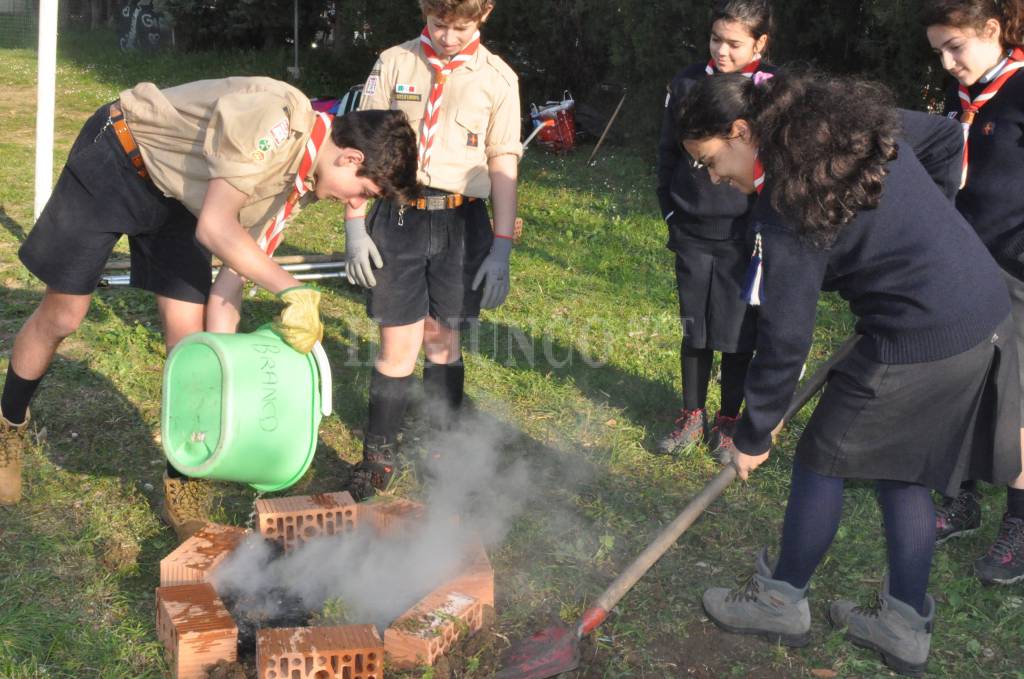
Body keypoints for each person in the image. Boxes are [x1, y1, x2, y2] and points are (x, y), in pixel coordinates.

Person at [676, 70, 1020, 676]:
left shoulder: (788, 204)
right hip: (979, 309)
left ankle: (782, 603)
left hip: (922, 332)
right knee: (903, 471)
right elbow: (942, 139)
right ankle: (904, 625)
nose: (712, 177)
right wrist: (922, 235)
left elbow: (786, 339)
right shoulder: (841, 125)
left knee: (822, 456)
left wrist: (755, 434)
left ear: (740, 131)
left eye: (709, 160)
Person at [0, 76, 419, 540]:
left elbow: (231, 280)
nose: (355, 204)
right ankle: (8, 427)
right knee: (65, 316)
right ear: (350, 157)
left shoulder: (293, 188)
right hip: (121, 156)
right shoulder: (277, 117)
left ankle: (183, 485)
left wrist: (226, 368)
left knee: (191, 345)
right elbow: (217, 227)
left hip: (180, 198)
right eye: (364, 192)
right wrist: (292, 290)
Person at [341, 0, 521, 500]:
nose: (446, 37)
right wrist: (355, 223)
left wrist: (501, 246)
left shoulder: (499, 79)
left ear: (482, 17)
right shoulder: (394, 62)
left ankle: (444, 450)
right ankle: (377, 457)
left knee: (443, 342)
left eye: (460, 28)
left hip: (462, 221)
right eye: (439, 25)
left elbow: (504, 163)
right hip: (398, 214)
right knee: (397, 346)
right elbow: (363, 146)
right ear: (425, 12)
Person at [922, 0, 1024, 586]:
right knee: (961, 382)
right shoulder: (968, 101)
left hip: (1015, 272)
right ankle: (959, 499)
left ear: (991, 30)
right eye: (938, 49)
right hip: (964, 266)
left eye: (954, 46)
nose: (945, 61)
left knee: (1018, 403)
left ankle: (1020, 524)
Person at [655, 0, 775, 459]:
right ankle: (691, 412)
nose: (721, 51)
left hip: (746, 231)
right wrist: (670, 210)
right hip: (692, 227)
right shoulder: (686, 82)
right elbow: (667, 152)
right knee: (696, 324)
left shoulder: (771, 90)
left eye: (734, 43)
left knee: (738, 329)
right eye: (715, 39)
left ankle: (729, 419)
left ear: (760, 43)